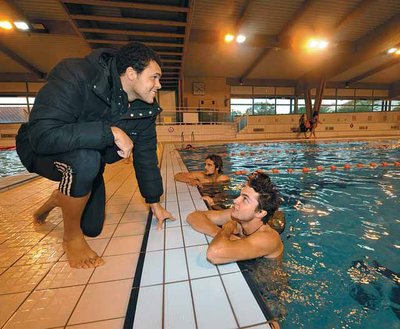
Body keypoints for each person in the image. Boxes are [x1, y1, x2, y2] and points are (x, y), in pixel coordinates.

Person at [15, 42, 174, 269]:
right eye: (154, 78)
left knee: (93, 227)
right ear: (131, 73)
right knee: (86, 160)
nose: (158, 85)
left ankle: (59, 197)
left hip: (89, 162)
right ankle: (71, 238)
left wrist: (154, 201)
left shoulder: (144, 109)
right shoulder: (75, 75)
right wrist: (110, 132)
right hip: (39, 149)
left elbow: (145, 155)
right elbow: (42, 136)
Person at [186, 172, 283, 264]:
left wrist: (227, 227)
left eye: (245, 199)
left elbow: (214, 253)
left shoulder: (268, 239)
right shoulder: (238, 217)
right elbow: (194, 216)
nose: (235, 200)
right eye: (240, 195)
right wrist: (227, 235)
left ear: (260, 212)